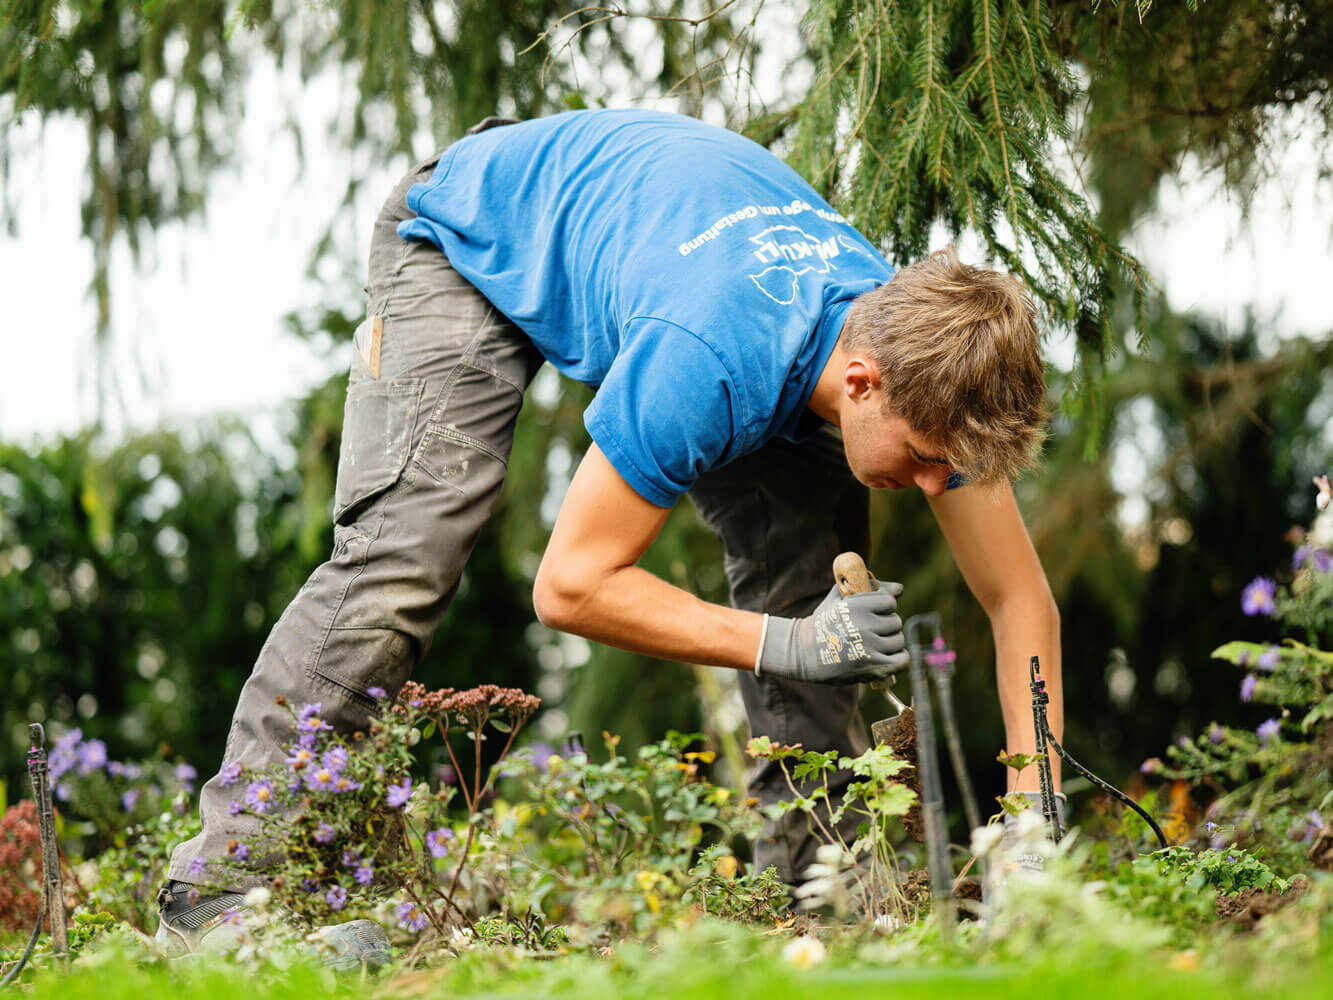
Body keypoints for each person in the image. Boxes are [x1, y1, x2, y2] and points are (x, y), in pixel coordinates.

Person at [156, 109, 1063, 952]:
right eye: (926, 458)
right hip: (467, 228)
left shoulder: (933, 360)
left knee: (810, 589)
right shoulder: (705, 355)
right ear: (861, 383)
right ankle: (222, 892)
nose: (937, 486)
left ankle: (814, 907)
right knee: (409, 544)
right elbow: (571, 585)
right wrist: (785, 643)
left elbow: (1017, 597)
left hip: (685, 262)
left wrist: (1033, 822)